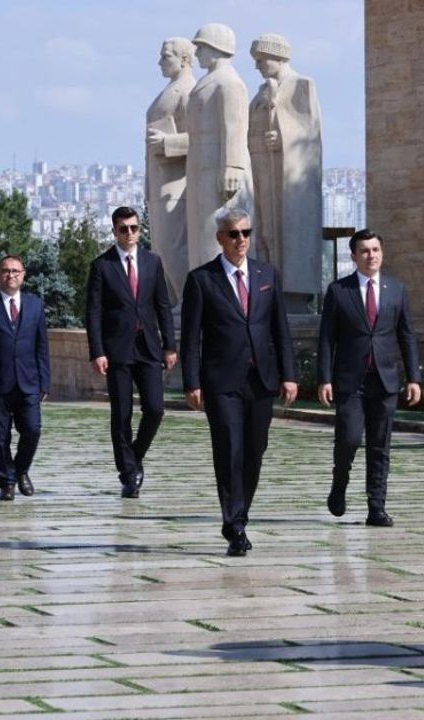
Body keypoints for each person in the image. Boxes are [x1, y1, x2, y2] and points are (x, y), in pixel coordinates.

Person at [181, 208, 297, 556]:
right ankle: (234, 525)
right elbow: (190, 339)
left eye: (246, 232)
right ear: (220, 238)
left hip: (262, 378)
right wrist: (191, 382)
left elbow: (281, 330)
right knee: (229, 449)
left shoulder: (267, 275)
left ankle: (240, 514)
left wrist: (289, 375)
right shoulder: (202, 280)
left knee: (254, 451)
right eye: (233, 234)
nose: (241, 240)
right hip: (221, 381)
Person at [317, 228, 422, 527]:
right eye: (364, 251)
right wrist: (324, 378)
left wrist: (413, 377)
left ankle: (376, 507)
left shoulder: (396, 290)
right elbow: (326, 338)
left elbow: (407, 336)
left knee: (380, 445)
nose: (370, 255)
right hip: (351, 381)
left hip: (385, 380)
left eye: (375, 250)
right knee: (348, 439)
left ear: (382, 253)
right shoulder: (339, 291)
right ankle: (340, 484)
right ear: (354, 256)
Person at [85, 206, 178, 499]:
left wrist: (170, 345)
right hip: (117, 350)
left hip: (148, 346)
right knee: (121, 413)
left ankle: (135, 455)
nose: (129, 233)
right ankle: (127, 474)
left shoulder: (152, 262)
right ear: (114, 231)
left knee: (155, 408)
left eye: (134, 228)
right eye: (123, 229)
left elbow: (162, 305)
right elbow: (94, 312)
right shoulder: (102, 265)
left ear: (140, 230)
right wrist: (97, 351)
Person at [247, 32, 324, 303]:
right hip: (261, 169)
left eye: (261, 59)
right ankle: (265, 287)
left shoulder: (302, 84)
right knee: (265, 232)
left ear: (278, 57)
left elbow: (310, 135)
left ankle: (290, 292)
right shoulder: (260, 92)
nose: (257, 66)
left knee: (285, 235)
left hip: (285, 173)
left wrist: (282, 137)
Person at [0, 255, 51, 501]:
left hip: (29, 381)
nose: (11, 275)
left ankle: (20, 470)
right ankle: (6, 482)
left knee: (33, 429)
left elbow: (42, 346)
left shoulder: (35, 305)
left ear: (23, 275)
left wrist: (44, 380)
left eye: (16, 271)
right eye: (6, 271)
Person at [185, 23, 254, 268]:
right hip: (202, 165)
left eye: (201, 47)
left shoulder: (229, 83)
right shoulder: (211, 81)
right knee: (202, 233)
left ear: (215, 48)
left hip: (219, 165)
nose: (197, 53)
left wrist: (232, 167)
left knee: (215, 231)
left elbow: (235, 127)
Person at [145, 37, 196, 303]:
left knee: (172, 247)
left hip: (176, 183)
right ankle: (177, 301)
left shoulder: (189, 91)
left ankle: (186, 301)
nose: (160, 62)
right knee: (162, 249)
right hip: (161, 181)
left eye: (166, 56)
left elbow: (200, 138)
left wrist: (168, 142)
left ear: (184, 59)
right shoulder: (172, 89)